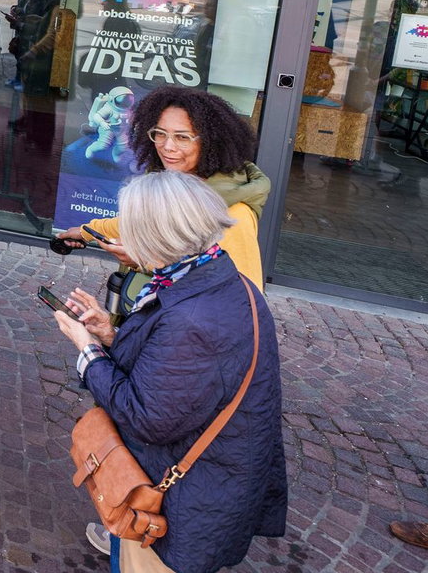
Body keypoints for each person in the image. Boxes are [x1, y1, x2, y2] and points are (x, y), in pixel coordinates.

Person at [53, 172, 286, 572]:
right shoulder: (219, 280)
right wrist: (110, 334)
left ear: (156, 237)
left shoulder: (192, 318)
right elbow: (171, 372)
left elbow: (146, 417)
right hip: (209, 481)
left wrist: (88, 351)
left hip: (181, 505)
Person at [58, 86, 269, 287]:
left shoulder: (234, 215)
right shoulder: (175, 184)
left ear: (211, 141)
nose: (167, 146)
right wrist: (86, 231)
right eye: (160, 133)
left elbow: (239, 295)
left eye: (182, 137)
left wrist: (145, 262)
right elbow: (144, 221)